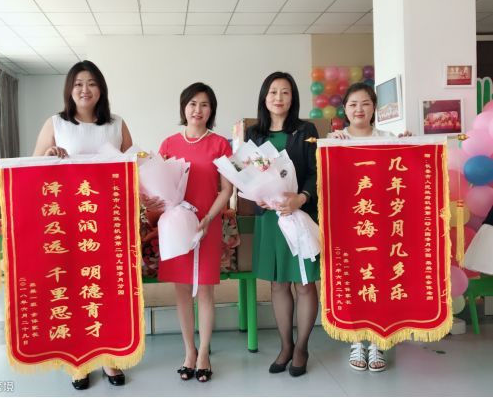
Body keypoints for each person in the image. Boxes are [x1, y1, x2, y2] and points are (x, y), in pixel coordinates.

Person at [32, 60, 131, 390]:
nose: (85, 90)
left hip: (108, 222)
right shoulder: (56, 124)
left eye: (91, 83)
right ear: (69, 90)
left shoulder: (116, 124)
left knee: (107, 289)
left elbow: (133, 167)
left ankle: (109, 357)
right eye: (78, 84)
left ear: (101, 88)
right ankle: (79, 362)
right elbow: (32, 168)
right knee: (75, 288)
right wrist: (49, 155)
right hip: (69, 222)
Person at [329, 82, 412, 372]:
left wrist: (409, 146)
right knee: (354, 280)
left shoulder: (387, 139)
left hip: (382, 223)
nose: (359, 109)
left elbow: (402, 178)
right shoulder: (335, 140)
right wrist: (332, 146)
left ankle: (378, 342)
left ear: (374, 107)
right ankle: (356, 341)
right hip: (348, 224)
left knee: (381, 280)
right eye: (353, 104)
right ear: (345, 109)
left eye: (365, 103)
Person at [157, 82, 233, 383]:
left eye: (204, 104)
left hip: (207, 225)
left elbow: (226, 189)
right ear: (183, 108)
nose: (197, 110)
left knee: (204, 290)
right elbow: (159, 186)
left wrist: (209, 217)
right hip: (176, 226)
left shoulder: (220, 145)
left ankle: (204, 354)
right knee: (181, 289)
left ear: (211, 110)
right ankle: (189, 351)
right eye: (192, 104)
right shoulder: (168, 144)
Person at [245, 72, 319, 377]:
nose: (279, 97)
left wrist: (301, 198)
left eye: (285, 92)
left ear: (293, 98)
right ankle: (285, 346)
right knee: (278, 283)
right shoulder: (253, 133)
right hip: (270, 220)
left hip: (299, 215)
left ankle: (301, 347)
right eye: (273, 92)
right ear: (265, 97)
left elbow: (316, 172)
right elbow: (248, 174)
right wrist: (258, 197)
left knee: (304, 283)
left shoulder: (306, 130)